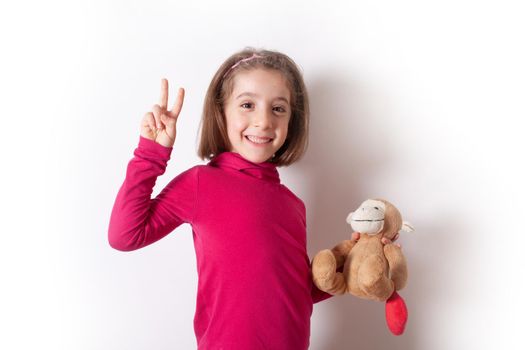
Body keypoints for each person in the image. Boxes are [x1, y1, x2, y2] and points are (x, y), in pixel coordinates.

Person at [108, 47, 341, 349]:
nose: (263, 121)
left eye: (278, 109)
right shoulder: (202, 183)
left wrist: (347, 265)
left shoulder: (293, 204)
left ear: (291, 121)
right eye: (247, 104)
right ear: (221, 112)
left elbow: (294, 292)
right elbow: (124, 235)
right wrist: (150, 154)